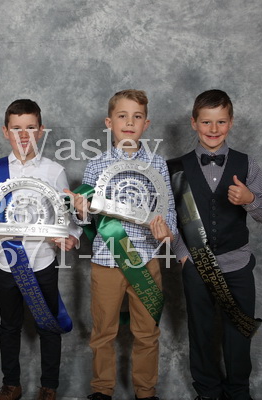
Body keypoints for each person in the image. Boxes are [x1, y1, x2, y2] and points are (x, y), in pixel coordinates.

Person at [66, 90, 177, 400]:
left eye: (137, 117)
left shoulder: (158, 164)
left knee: (147, 332)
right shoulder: (96, 164)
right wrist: (79, 208)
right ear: (109, 122)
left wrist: (166, 231)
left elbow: (168, 210)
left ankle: (146, 391)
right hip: (106, 261)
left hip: (146, 259)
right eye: (122, 116)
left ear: (146, 124)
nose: (129, 122)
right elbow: (87, 219)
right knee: (103, 331)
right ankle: (102, 390)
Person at [0, 99, 82, 400]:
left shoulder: (54, 171)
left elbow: (68, 216)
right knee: (9, 326)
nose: (23, 135)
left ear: (41, 131)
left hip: (42, 261)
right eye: (16, 128)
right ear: (5, 131)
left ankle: (49, 387)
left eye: (30, 128)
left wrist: (72, 237)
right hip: (4, 261)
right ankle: (12, 384)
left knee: (48, 325)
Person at [169, 89, 262, 400]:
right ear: (193, 123)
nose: (213, 129)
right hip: (195, 265)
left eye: (221, 122)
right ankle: (207, 392)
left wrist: (250, 199)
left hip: (237, 264)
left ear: (231, 122)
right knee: (201, 331)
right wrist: (183, 256)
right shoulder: (175, 167)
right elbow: (168, 217)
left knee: (239, 331)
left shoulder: (246, 163)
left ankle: (239, 391)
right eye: (206, 122)